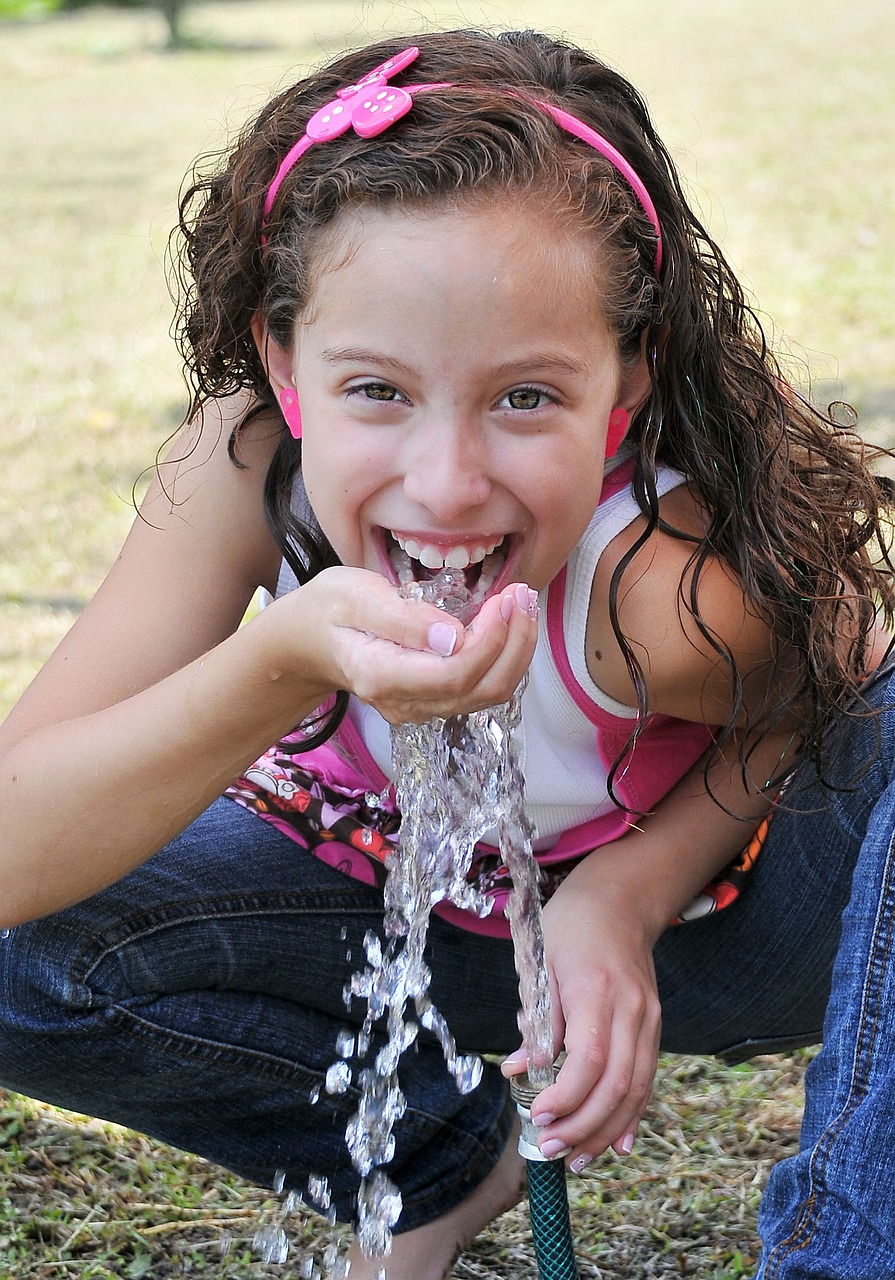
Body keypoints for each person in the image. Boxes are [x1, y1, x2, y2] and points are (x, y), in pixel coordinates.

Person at [1, 27, 893, 1280]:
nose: (446, 482)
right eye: (375, 390)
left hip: (755, 932)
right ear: (282, 360)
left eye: (526, 395)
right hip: (428, 937)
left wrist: (626, 895)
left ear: (624, 384)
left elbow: (837, 684)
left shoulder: (652, 587)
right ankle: (432, 1159)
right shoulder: (252, 464)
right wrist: (283, 659)